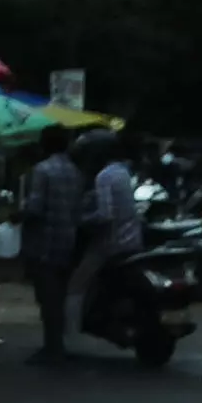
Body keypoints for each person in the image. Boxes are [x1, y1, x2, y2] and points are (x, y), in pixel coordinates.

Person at [17, 125, 82, 364]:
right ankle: (57, 345)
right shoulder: (75, 171)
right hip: (68, 241)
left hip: (44, 244)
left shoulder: (42, 170)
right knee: (59, 296)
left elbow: (35, 208)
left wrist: (17, 215)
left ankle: (52, 346)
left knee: (47, 298)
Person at [67, 131, 143, 331]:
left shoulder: (104, 176)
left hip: (110, 243)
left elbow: (105, 214)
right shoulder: (123, 172)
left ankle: (71, 330)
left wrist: (80, 221)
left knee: (76, 283)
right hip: (132, 240)